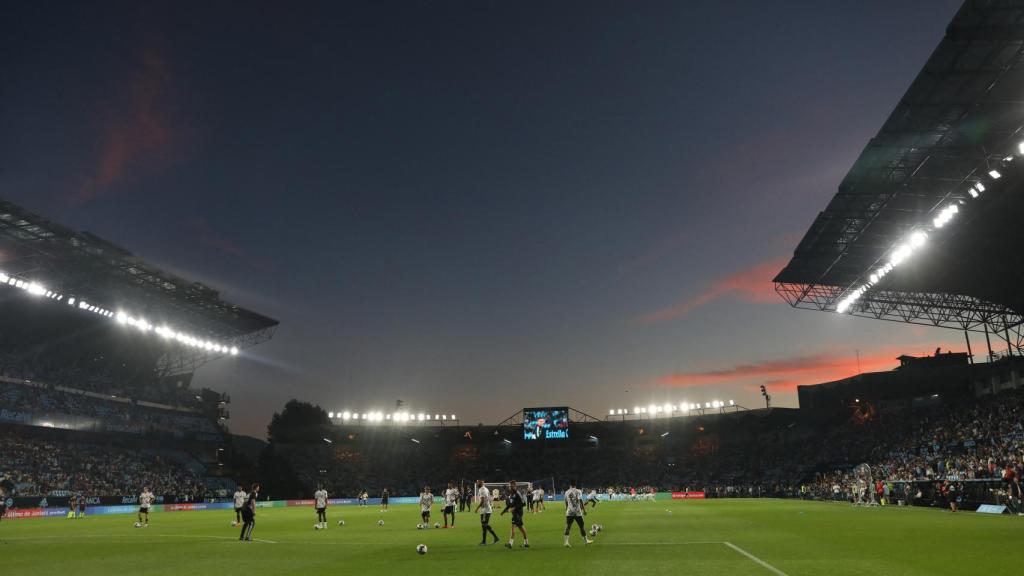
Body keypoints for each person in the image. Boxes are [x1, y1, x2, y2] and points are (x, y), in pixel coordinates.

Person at [500, 480, 529, 549]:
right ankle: (526, 543)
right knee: (521, 528)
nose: (510, 487)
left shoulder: (517, 493)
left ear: (514, 486)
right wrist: (504, 511)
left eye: (511, 486)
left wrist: (514, 508)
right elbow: (510, 504)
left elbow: (524, 503)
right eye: (509, 486)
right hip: (515, 514)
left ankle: (510, 543)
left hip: (518, 514)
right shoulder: (511, 494)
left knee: (513, 527)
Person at [563, 480, 591, 547]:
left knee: (568, 526)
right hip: (577, 512)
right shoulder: (578, 491)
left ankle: (566, 542)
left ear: (570, 485)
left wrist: (566, 509)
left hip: (569, 512)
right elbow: (580, 500)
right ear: (575, 485)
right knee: (581, 526)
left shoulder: (566, 492)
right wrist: (584, 510)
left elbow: (566, 502)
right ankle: (586, 540)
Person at [474, 479, 500, 546]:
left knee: (484, 525)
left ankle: (485, 541)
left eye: (478, 482)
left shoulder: (482, 490)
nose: (477, 484)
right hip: (485, 509)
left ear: (481, 483)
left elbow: (482, 501)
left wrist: (477, 508)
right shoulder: (485, 489)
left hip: (486, 510)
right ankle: (495, 538)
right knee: (484, 525)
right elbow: (488, 498)